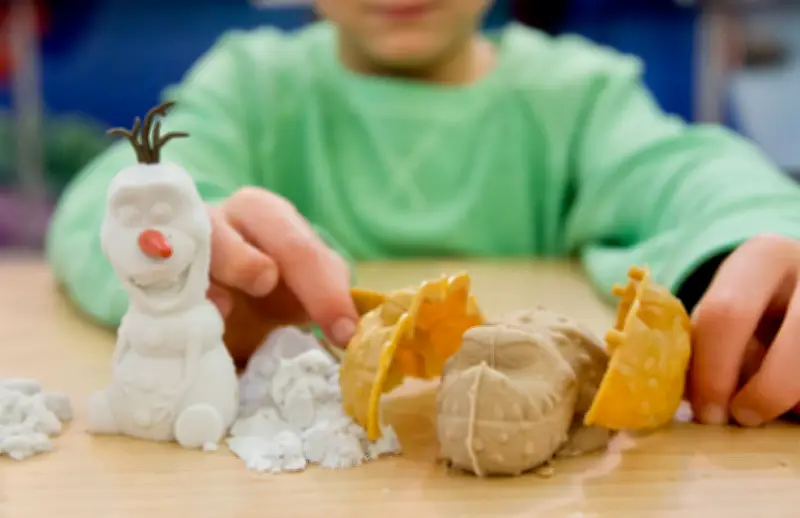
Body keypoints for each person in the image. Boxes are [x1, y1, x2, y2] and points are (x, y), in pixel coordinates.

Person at [46, 0, 800, 430]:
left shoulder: (579, 98)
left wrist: (759, 242)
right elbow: (104, 201)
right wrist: (182, 248)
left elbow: (696, 178)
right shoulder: (251, 86)